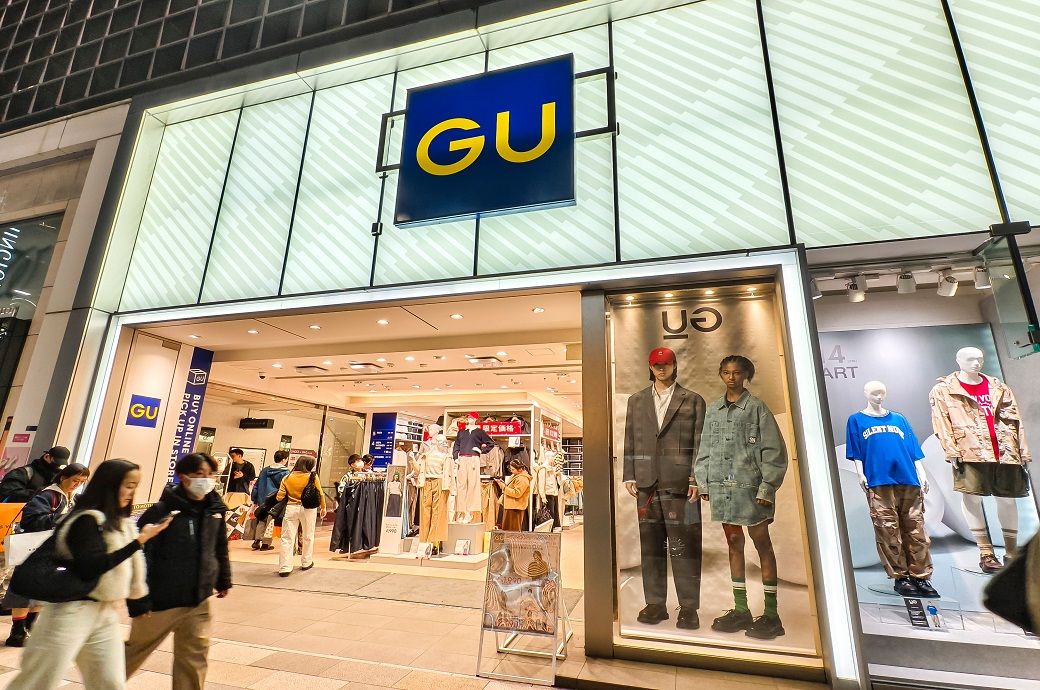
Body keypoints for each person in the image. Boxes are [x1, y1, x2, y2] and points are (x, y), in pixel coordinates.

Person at [6, 459, 171, 690]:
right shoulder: (87, 520)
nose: (131, 493)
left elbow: (133, 563)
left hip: (105, 613)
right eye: (128, 485)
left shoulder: (122, 522)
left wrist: (138, 600)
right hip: (71, 611)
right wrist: (140, 541)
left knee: (110, 683)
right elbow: (93, 566)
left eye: (135, 486)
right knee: (38, 681)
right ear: (110, 485)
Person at [694, 355, 789, 641]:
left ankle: (771, 614)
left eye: (737, 373)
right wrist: (704, 483)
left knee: (762, 545)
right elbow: (705, 449)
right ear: (721, 375)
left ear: (746, 375)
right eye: (726, 372)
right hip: (724, 492)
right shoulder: (714, 410)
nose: (731, 378)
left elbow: (774, 451)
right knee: (734, 544)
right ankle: (741, 609)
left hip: (752, 492)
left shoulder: (757, 408)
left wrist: (767, 488)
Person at [125, 452, 231, 690]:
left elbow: (219, 545)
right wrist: (138, 599)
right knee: (133, 653)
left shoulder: (214, 509)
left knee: (194, 658)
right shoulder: (162, 511)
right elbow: (141, 556)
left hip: (198, 599)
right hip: (161, 600)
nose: (206, 479)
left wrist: (223, 579)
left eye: (210, 474)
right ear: (183, 477)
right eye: (199, 474)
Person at [4, 463, 90, 647]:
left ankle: (29, 628)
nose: (77, 485)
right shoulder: (49, 495)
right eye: (75, 480)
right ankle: (17, 632)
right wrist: (62, 518)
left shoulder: (72, 498)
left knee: (42, 590)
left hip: (52, 551)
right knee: (24, 591)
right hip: (34, 550)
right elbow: (31, 520)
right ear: (63, 477)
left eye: (81, 482)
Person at [276, 457, 326, 576]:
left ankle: (285, 567)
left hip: (291, 508)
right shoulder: (312, 477)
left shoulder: (287, 477)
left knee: (287, 538)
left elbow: (279, 497)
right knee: (308, 536)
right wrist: (323, 507)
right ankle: (306, 562)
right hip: (308, 509)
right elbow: (320, 493)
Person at [247, 450, 290, 550]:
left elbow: (256, 486)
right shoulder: (285, 472)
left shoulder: (265, 470)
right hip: (275, 500)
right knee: (271, 521)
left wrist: (254, 499)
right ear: (284, 459)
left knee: (261, 519)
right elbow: (285, 487)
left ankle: (257, 540)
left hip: (262, 499)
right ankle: (265, 543)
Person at [0, 446, 71, 503]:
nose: (57, 466)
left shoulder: (58, 477)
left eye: (60, 464)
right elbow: (8, 494)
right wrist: (43, 493)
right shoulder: (24, 472)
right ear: (46, 456)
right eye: (56, 462)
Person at [496, 457, 531, 531]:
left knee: (513, 530)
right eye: (510, 469)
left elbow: (517, 493)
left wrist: (504, 487)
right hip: (511, 506)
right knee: (509, 529)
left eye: (513, 469)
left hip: (515, 508)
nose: (511, 471)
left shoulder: (522, 479)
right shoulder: (516, 476)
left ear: (520, 469)